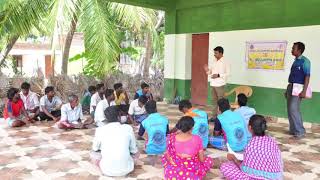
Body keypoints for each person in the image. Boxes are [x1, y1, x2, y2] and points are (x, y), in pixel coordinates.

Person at [220, 115, 283, 180]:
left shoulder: (251, 145)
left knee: (225, 167)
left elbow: (245, 170)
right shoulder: (272, 141)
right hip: (275, 178)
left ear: (249, 127)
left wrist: (234, 159)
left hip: (254, 178)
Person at [91, 106, 139, 177]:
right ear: (119, 116)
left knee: (93, 153)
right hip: (127, 168)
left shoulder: (100, 130)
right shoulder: (128, 128)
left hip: (107, 170)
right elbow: (134, 150)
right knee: (136, 151)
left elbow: (95, 148)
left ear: (106, 118)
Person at [285, 42, 311, 138]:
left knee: (294, 109)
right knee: (289, 110)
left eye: (293, 48)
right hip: (291, 87)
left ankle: (300, 131)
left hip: (298, 88)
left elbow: (307, 77)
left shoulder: (305, 61)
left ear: (299, 50)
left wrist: (304, 91)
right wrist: (287, 90)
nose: (292, 50)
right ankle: (293, 130)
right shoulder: (295, 61)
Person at [204, 46, 230, 118]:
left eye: (216, 53)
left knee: (221, 102)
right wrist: (207, 70)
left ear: (221, 53)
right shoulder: (214, 61)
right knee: (214, 102)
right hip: (213, 84)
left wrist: (218, 75)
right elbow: (210, 72)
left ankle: (222, 117)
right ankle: (214, 117)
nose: (214, 54)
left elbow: (228, 73)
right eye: (214, 53)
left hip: (220, 85)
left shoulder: (225, 62)